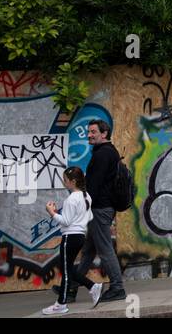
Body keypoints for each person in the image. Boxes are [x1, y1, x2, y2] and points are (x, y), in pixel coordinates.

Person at [71, 120, 127, 303]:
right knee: (88, 251)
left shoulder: (103, 154)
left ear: (104, 134)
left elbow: (94, 185)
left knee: (105, 249)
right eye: (88, 132)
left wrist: (82, 206)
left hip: (100, 209)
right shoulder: (106, 152)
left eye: (93, 132)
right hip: (101, 207)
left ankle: (117, 287)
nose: (89, 135)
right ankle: (70, 286)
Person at [42, 167, 98, 315]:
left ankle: (61, 304)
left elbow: (65, 221)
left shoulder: (71, 199)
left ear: (73, 181)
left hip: (70, 236)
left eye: (65, 180)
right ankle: (92, 287)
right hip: (80, 236)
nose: (64, 182)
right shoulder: (87, 197)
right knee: (67, 268)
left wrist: (52, 212)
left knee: (66, 270)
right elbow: (90, 217)